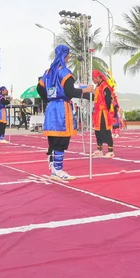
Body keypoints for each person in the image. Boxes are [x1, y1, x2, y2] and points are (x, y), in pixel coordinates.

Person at [36, 45, 93, 181]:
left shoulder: (48, 72)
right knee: (62, 140)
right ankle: (58, 170)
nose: (69, 57)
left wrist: (48, 99)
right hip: (61, 108)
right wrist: (87, 90)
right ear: (65, 55)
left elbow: (39, 88)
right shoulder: (65, 72)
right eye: (68, 55)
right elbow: (69, 92)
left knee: (54, 140)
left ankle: (55, 169)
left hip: (51, 108)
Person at [89, 70, 114, 157]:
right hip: (97, 113)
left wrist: (106, 110)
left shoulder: (105, 86)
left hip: (103, 113)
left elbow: (108, 99)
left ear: (98, 77)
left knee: (106, 131)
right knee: (97, 131)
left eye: (94, 78)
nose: (93, 80)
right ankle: (99, 150)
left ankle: (110, 151)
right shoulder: (97, 87)